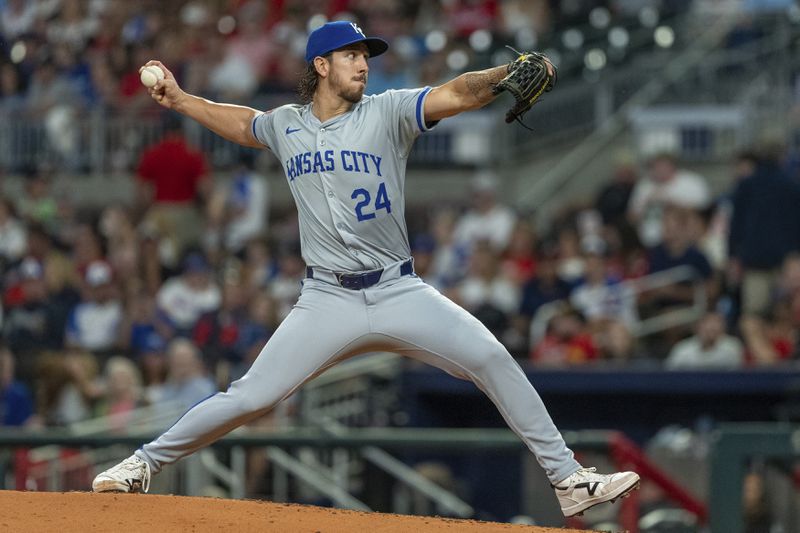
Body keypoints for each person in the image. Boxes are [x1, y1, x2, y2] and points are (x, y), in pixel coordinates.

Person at [92, 21, 638, 517]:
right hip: (326, 300)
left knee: (492, 357)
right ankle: (141, 464)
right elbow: (243, 125)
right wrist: (182, 100)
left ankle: (568, 479)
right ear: (321, 66)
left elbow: (455, 92)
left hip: (400, 290)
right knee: (251, 396)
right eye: (350, 54)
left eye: (365, 54)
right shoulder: (287, 125)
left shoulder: (388, 111)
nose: (363, 63)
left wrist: (502, 76)